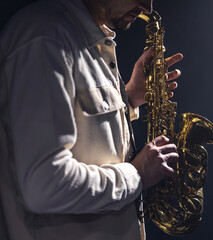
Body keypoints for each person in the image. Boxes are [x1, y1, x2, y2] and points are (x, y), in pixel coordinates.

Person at [0, 0, 183, 239]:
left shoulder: (85, 36)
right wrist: (136, 175)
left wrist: (129, 98)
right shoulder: (46, 36)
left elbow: (82, 125)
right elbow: (45, 184)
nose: (147, 7)